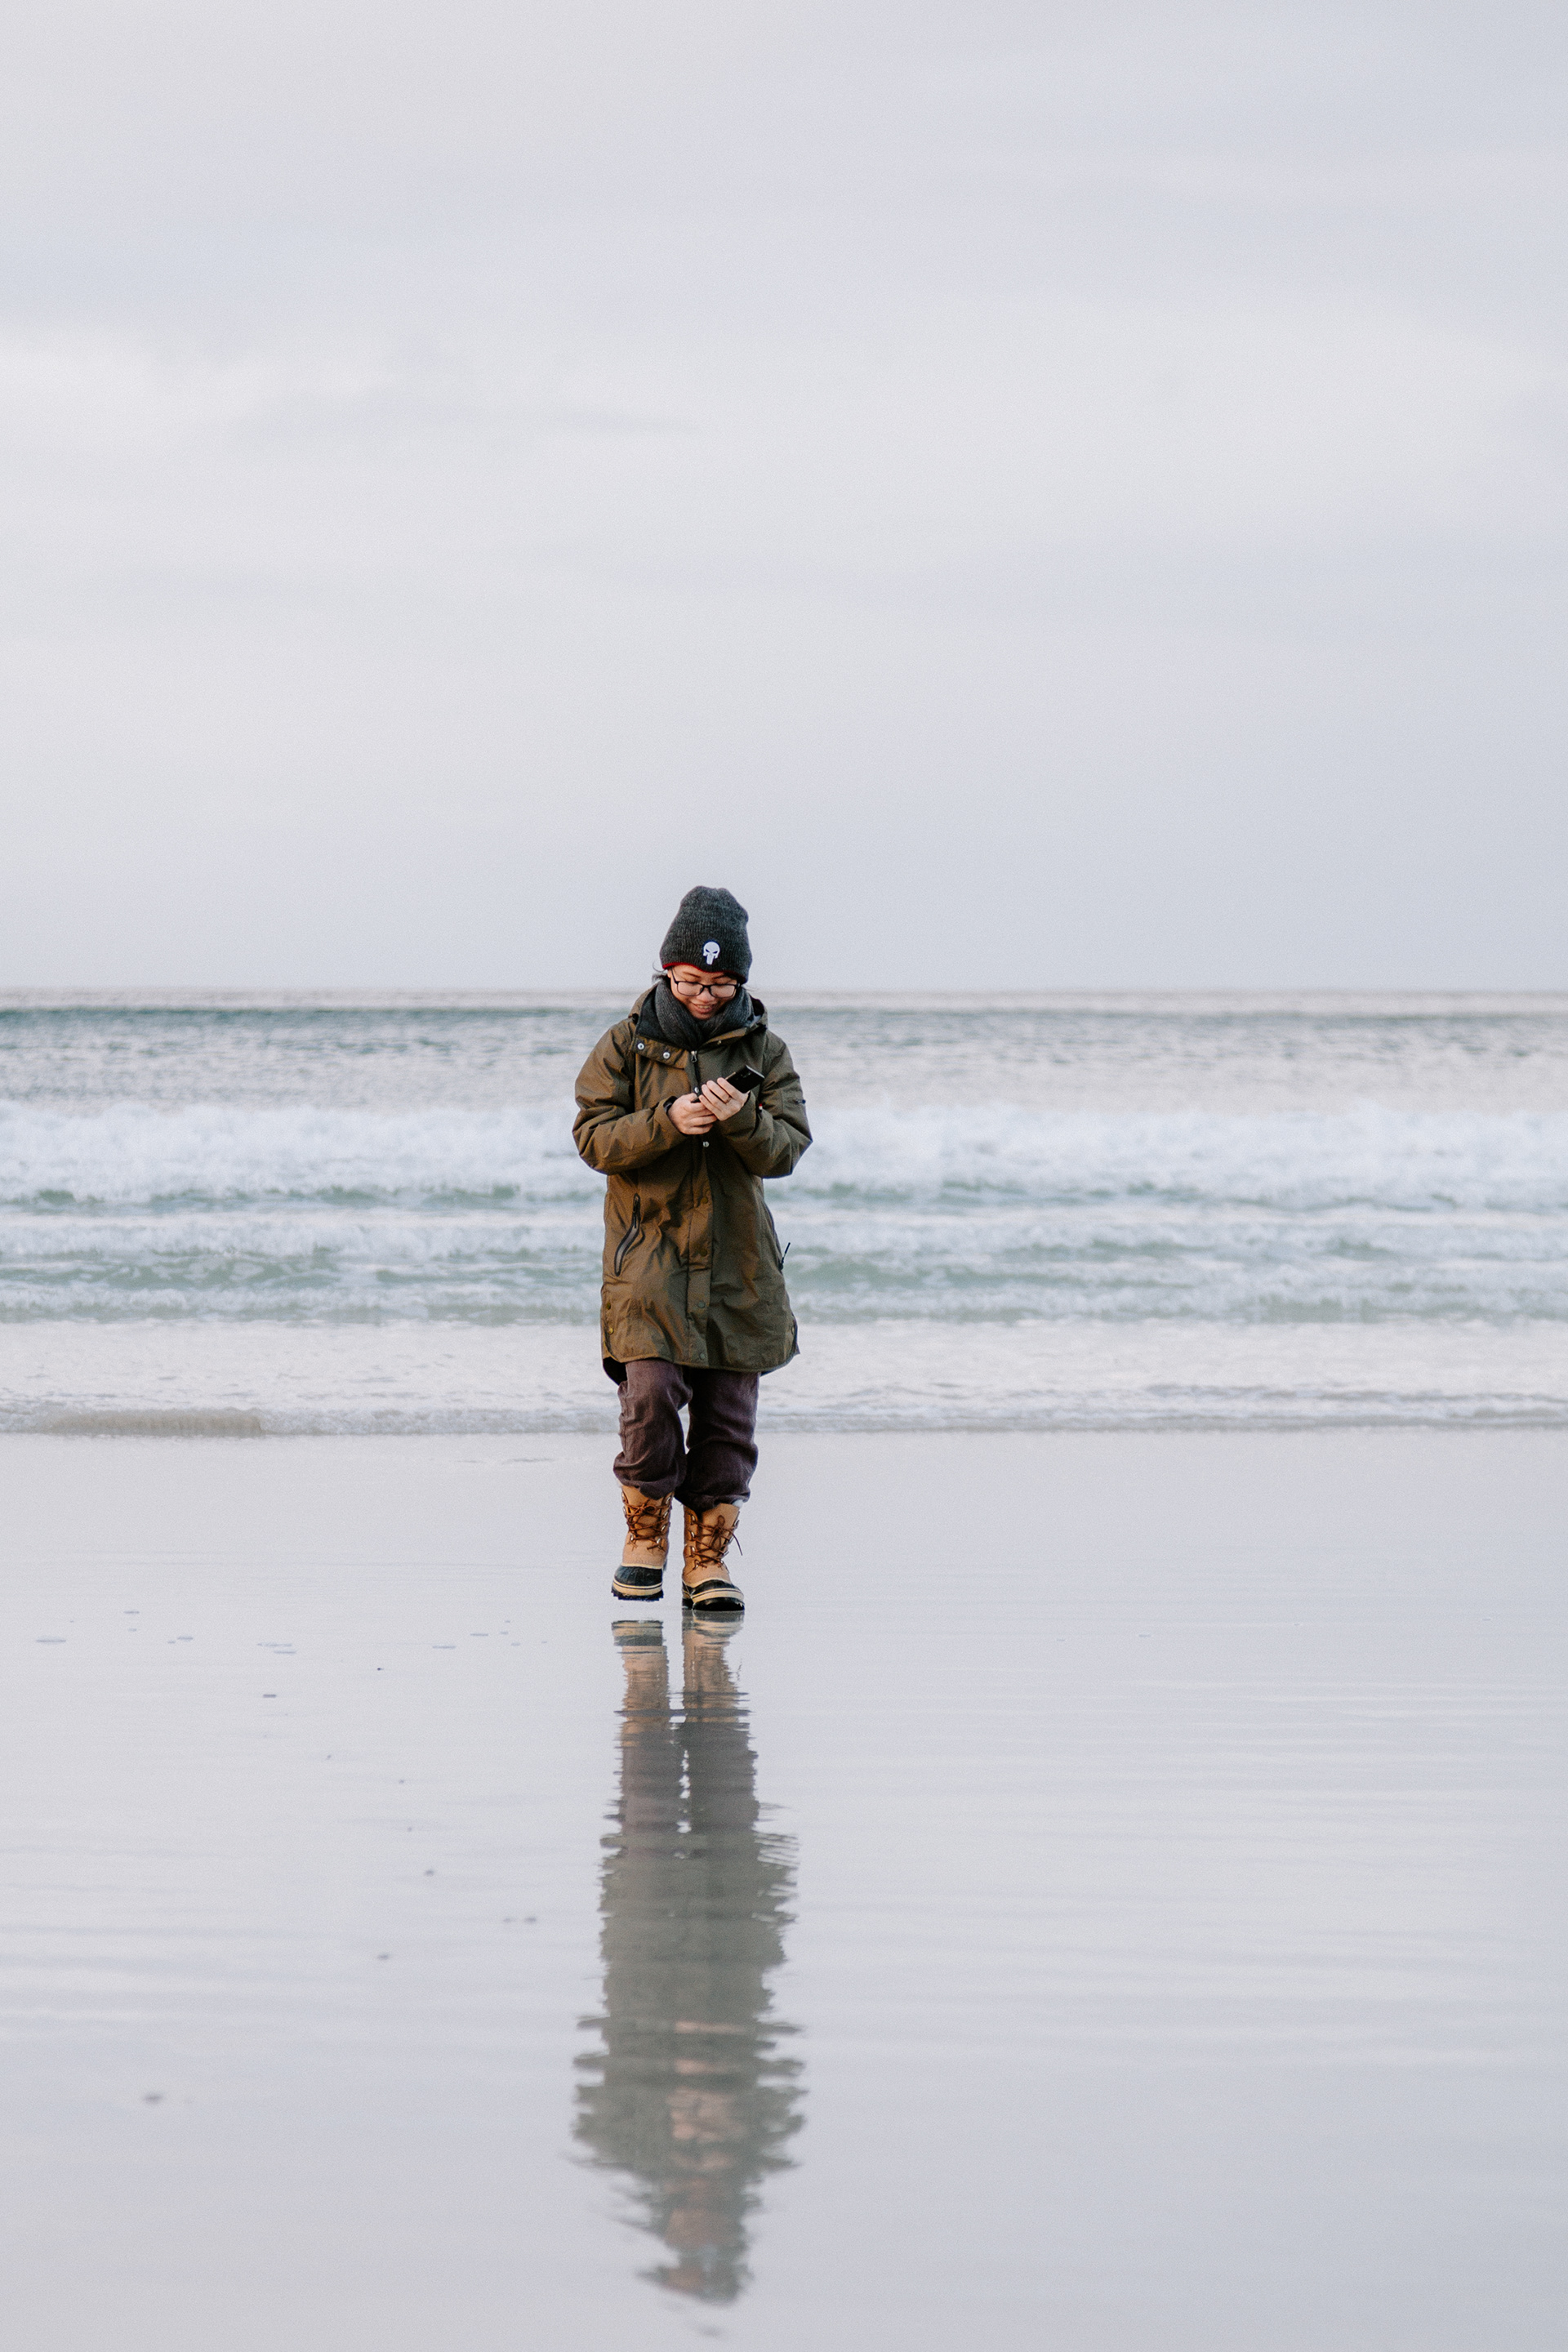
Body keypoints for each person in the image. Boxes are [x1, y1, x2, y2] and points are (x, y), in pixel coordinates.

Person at [573, 886, 811, 1613]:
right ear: (666, 971)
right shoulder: (625, 1044)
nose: (704, 996)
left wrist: (741, 1121)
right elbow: (593, 1140)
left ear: (741, 981)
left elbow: (786, 1150)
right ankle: (644, 1538)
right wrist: (667, 1120)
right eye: (689, 981)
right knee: (649, 1396)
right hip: (648, 1259)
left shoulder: (767, 1050)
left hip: (741, 1264)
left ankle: (707, 1561)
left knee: (729, 1419)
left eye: (720, 984)